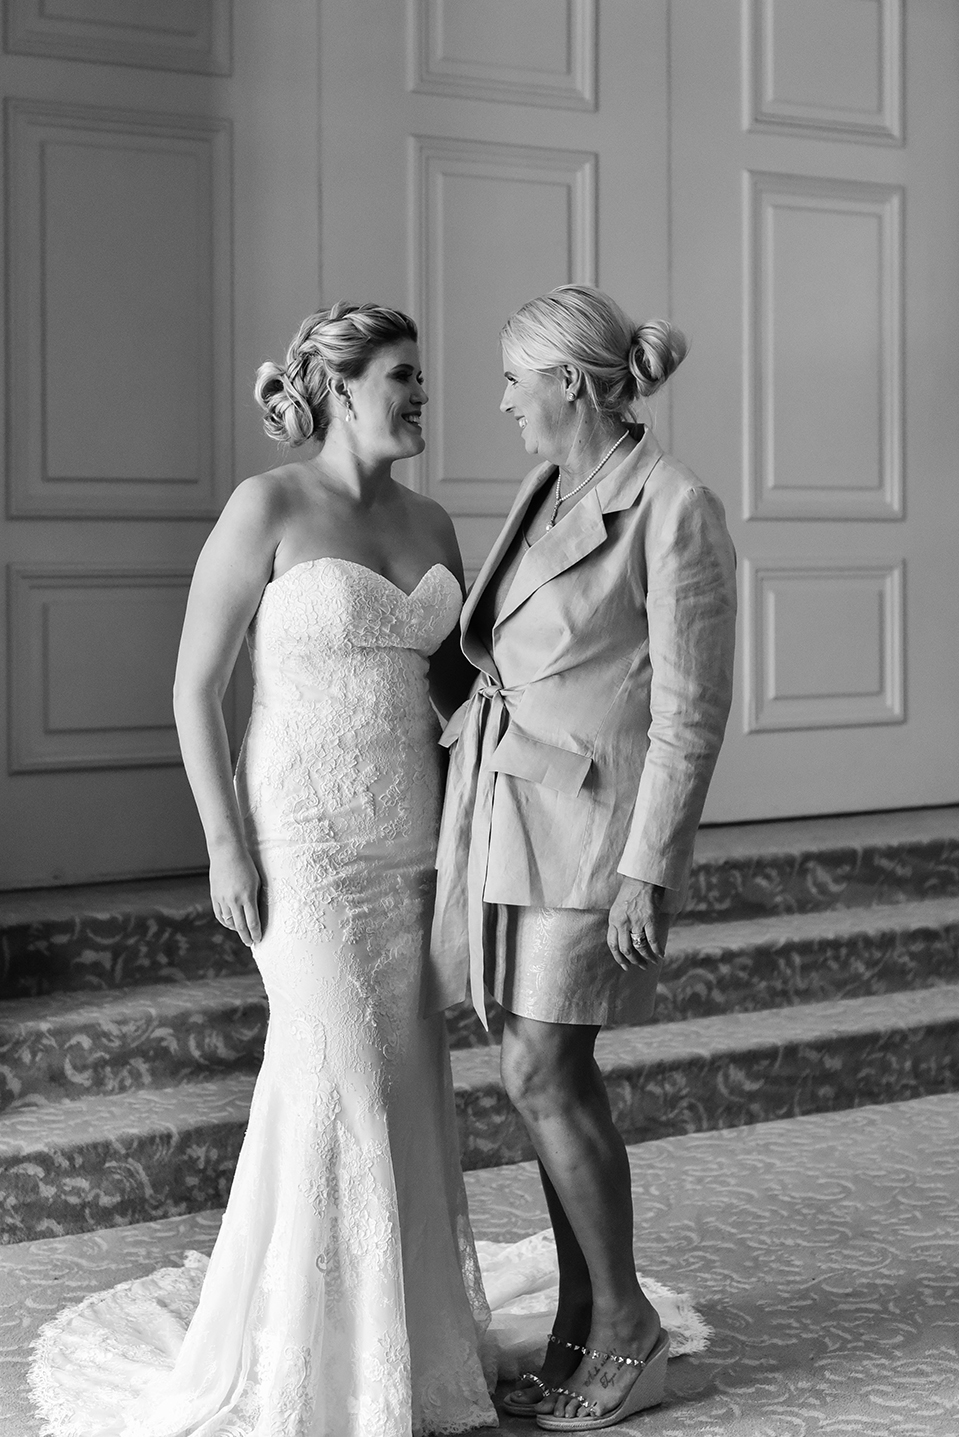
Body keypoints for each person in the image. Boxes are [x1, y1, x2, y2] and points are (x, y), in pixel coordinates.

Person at [27, 303, 497, 1437]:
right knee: (340, 1074)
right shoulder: (268, 506)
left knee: (400, 1083)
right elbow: (195, 686)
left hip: (412, 837)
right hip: (304, 838)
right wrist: (223, 843)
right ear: (340, 389)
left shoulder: (433, 522)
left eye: (420, 375)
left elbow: (456, 693)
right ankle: (316, 1370)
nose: (421, 394)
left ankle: (404, 1348)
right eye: (402, 375)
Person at [427, 285, 737, 1430]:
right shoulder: (545, 487)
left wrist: (649, 869)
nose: (504, 400)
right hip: (512, 814)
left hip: (598, 832)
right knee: (540, 1069)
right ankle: (575, 1331)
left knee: (538, 1070)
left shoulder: (674, 505)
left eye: (515, 380)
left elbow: (690, 712)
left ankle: (625, 1326)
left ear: (567, 381)